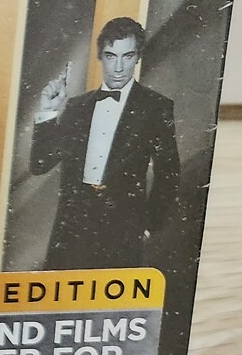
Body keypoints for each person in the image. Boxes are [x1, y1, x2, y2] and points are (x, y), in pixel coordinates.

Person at [30, 16, 180, 269]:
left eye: (127, 56)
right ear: (100, 57)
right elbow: (40, 164)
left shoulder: (156, 107)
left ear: (137, 57)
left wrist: (149, 225)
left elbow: (169, 174)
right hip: (71, 236)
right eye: (111, 56)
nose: (118, 67)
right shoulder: (77, 107)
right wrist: (48, 111)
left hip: (122, 235)